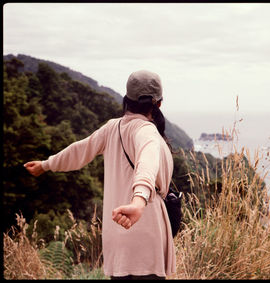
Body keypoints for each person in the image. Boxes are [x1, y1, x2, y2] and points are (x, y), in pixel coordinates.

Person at [24, 70, 176, 280]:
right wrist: (139, 201)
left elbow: (79, 150)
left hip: (116, 238)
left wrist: (45, 164)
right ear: (158, 103)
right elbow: (147, 162)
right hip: (144, 235)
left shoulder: (112, 128)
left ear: (127, 100)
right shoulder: (147, 131)